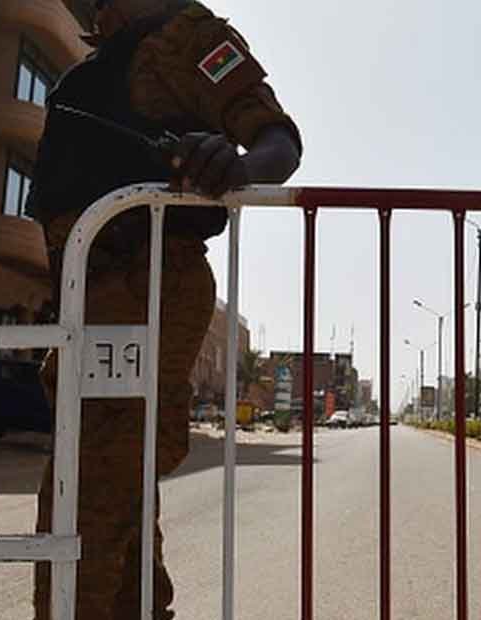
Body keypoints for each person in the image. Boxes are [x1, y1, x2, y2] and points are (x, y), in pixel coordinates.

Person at [28, 1, 301, 618]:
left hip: (150, 282)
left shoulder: (186, 35)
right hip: (88, 297)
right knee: (113, 482)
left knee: (91, 487)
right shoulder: (105, 61)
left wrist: (234, 167)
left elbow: (277, 138)